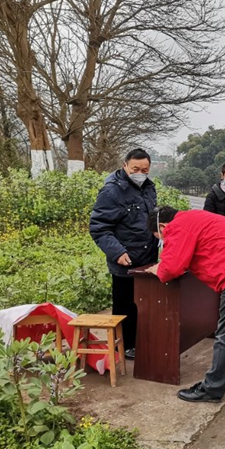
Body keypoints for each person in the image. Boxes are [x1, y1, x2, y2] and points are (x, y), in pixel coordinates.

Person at [145, 207, 225, 403]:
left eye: (160, 236)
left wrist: (158, 270)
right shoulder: (195, 216)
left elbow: (172, 267)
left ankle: (212, 389)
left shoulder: (178, 225)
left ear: (163, 226)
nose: (163, 241)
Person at [89, 148, 158, 360]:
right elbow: (99, 227)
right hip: (125, 260)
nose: (140, 173)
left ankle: (141, 342)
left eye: (144, 169)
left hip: (147, 258)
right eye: (135, 169)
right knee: (125, 304)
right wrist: (117, 251)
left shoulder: (148, 188)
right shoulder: (111, 192)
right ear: (125, 166)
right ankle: (124, 346)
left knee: (145, 304)